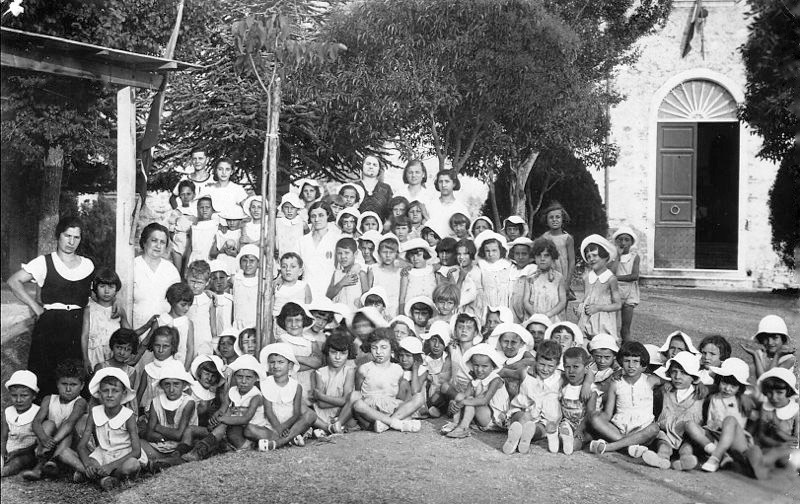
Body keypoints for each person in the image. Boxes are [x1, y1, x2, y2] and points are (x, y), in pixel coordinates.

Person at [7, 216, 95, 397]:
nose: (71, 242)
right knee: (45, 377)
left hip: (76, 326)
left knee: (73, 379)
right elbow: (14, 281)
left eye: (76, 237)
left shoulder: (87, 265)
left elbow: (93, 295)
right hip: (50, 327)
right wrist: (35, 306)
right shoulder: (44, 262)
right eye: (67, 236)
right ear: (58, 235)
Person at [182, 354, 266, 460]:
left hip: (247, 434)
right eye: (240, 376)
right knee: (192, 429)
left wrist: (223, 419)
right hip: (230, 429)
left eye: (248, 377)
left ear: (256, 378)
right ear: (234, 376)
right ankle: (180, 453)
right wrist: (216, 418)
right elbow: (223, 408)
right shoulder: (233, 391)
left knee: (223, 425)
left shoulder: (256, 396)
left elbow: (245, 419)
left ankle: (199, 451)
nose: (243, 381)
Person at [588, 342, 661, 460]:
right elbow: (608, 413)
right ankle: (628, 447)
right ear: (621, 362)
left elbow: (668, 380)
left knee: (655, 428)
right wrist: (596, 419)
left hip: (642, 429)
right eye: (627, 361)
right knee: (595, 418)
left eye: (635, 361)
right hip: (619, 429)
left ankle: (610, 447)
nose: (631, 365)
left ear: (643, 364)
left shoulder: (650, 380)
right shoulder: (616, 383)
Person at [77, 368, 146, 490]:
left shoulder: (128, 416)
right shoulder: (95, 412)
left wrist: (111, 466)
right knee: (90, 462)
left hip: (124, 455)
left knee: (132, 465)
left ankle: (104, 476)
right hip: (103, 454)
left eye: (115, 391)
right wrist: (88, 465)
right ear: (99, 393)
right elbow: (81, 445)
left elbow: (137, 452)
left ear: (123, 394)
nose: (109, 395)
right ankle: (105, 478)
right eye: (105, 390)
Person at [682, 358, 754, 473]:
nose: (727, 388)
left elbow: (759, 402)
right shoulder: (714, 397)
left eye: (733, 386)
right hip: (714, 436)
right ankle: (719, 453)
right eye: (724, 383)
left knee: (730, 420)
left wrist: (744, 396)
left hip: (735, 440)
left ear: (740, 387)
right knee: (689, 425)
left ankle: (715, 458)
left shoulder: (743, 400)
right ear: (719, 380)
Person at [20, 360, 87, 480]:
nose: (68, 389)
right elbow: (36, 422)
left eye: (73, 385)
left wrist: (52, 442)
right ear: (57, 384)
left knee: (67, 429)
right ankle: (40, 467)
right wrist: (44, 438)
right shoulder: (48, 399)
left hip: (69, 446)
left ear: (82, 386)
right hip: (48, 444)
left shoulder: (80, 402)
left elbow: (69, 423)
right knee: (48, 423)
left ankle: (52, 462)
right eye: (64, 384)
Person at [348, 329, 424, 433]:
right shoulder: (364, 369)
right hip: (370, 411)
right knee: (358, 405)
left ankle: (385, 424)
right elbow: (358, 393)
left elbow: (397, 395)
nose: (378, 352)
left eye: (384, 347)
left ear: (392, 348)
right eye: (374, 348)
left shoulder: (398, 370)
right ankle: (396, 423)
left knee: (419, 397)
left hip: (390, 408)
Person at [645, 352, 706, 470]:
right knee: (663, 444)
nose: (677, 377)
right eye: (674, 372)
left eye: (683, 373)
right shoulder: (664, 391)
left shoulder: (701, 395)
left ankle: (685, 460)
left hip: (687, 436)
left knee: (687, 447)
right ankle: (662, 458)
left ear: (693, 377)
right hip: (666, 434)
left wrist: (701, 384)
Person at [254, 344, 318, 450]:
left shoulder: (296, 386)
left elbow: (296, 413)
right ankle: (291, 438)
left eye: (280, 362)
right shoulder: (265, 383)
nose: (276, 366)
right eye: (272, 362)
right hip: (271, 426)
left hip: (290, 425)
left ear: (290, 365)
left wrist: (285, 427)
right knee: (248, 430)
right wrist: (279, 429)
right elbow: (269, 412)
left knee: (311, 415)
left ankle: (278, 443)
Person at [504, 340, 563, 454]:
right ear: (535, 361)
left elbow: (581, 375)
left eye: (550, 366)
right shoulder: (525, 372)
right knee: (523, 417)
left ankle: (525, 438)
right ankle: (514, 440)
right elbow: (505, 372)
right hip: (522, 411)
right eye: (541, 364)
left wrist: (587, 383)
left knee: (539, 429)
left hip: (544, 419)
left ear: (557, 365)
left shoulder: (560, 377)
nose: (545, 369)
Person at [443, 344, 509, 439]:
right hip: (481, 416)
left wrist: (463, 402)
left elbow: (484, 401)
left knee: (470, 400)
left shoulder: (496, 380)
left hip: (495, 420)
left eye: (484, 366)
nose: (479, 370)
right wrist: (455, 403)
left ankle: (463, 428)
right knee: (461, 397)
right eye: (476, 365)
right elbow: (463, 397)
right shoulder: (474, 382)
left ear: (493, 366)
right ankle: (455, 423)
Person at [141, 359, 197, 466]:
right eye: (167, 384)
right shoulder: (156, 401)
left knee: (185, 448)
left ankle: (163, 462)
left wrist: (156, 427)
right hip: (159, 446)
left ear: (183, 384)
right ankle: (162, 462)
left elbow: (179, 435)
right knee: (136, 445)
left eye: (176, 384)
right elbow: (149, 434)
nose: (171, 389)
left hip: (182, 446)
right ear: (162, 386)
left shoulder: (188, 402)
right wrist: (160, 436)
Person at [130, 223, 182, 330]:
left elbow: (179, 301)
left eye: (162, 242)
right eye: (154, 240)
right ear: (144, 242)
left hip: (165, 330)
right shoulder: (132, 266)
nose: (158, 246)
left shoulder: (171, 270)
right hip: (137, 328)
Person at [750, 367, 799, 478]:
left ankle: (763, 464)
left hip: (789, 450)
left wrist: (779, 433)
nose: (774, 397)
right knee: (763, 452)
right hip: (770, 446)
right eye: (769, 393)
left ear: (788, 392)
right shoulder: (766, 408)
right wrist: (777, 444)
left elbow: (796, 440)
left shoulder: (795, 410)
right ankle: (761, 467)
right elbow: (762, 435)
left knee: (788, 457)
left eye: (779, 393)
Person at [311, 330, 356, 436]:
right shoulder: (320, 372)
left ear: (348, 354)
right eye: (333, 352)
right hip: (323, 414)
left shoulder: (349, 371)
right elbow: (321, 404)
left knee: (355, 398)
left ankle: (337, 424)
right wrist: (342, 401)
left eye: (343, 353)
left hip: (343, 413)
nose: (338, 357)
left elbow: (346, 400)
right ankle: (330, 428)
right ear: (327, 351)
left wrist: (321, 396)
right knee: (308, 414)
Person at [577, 235, 621, 341]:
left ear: (605, 256)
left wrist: (598, 308)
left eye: (595, 255)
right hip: (586, 320)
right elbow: (586, 298)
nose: (591, 259)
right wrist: (580, 307)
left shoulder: (610, 279)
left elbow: (618, 305)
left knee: (603, 343)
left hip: (604, 322)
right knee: (584, 342)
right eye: (588, 256)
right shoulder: (587, 278)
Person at [300, 201, 342, 301]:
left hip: (328, 291)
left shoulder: (336, 239)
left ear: (328, 215)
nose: (317, 219)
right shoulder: (302, 241)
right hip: (307, 292)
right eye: (313, 216)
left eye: (321, 215)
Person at [1, 370, 40, 477]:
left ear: (34, 395)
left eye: (24, 395)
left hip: (27, 453)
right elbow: (3, 437)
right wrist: (3, 454)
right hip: (9, 451)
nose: (18, 400)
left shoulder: (38, 412)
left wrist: (18, 452)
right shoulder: (8, 412)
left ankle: (4, 472)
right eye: (14, 395)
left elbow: (38, 442)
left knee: (17, 462)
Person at [559, 347, 597, 455]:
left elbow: (589, 414)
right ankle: (563, 439)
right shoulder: (564, 385)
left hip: (584, 426)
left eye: (576, 367)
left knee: (578, 440)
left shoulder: (590, 390)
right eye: (567, 367)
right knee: (560, 433)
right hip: (567, 423)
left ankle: (571, 445)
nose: (571, 371)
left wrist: (579, 429)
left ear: (585, 368)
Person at [137, 327, 181, 415]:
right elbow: (139, 396)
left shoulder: (177, 367)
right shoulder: (148, 369)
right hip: (150, 413)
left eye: (165, 346)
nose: (160, 350)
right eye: (157, 345)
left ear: (172, 347)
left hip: (172, 413)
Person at [96, 329, 141, 413]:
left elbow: (127, 396)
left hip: (123, 409)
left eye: (127, 349)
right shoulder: (101, 367)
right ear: (112, 346)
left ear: (132, 351)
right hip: (102, 407)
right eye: (119, 347)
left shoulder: (131, 371)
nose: (122, 353)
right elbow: (96, 393)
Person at [523, 237, 566, 323]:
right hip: (534, 318)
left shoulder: (558, 278)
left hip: (552, 318)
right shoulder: (530, 278)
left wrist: (548, 315)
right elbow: (525, 301)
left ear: (552, 257)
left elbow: (562, 301)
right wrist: (535, 315)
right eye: (539, 255)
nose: (542, 259)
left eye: (546, 255)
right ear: (534, 257)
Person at [610, 226, 640, 343]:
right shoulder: (612, 257)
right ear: (616, 241)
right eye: (620, 240)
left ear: (631, 242)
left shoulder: (635, 257)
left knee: (626, 328)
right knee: (611, 324)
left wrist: (615, 278)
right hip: (614, 292)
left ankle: (626, 345)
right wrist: (618, 256)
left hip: (629, 293)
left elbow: (634, 276)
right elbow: (611, 272)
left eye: (627, 240)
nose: (623, 243)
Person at [539, 202, 575, 298]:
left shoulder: (567, 238)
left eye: (558, 217)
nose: (554, 220)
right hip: (548, 274)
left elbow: (572, 261)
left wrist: (568, 282)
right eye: (551, 217)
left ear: (563, 219)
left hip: (563, 274)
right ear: (546, 220)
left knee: (562, 300)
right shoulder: (544, 238)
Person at [425, 169, 470, 237]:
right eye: (440, 182)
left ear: (454, 184)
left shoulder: (461, 208)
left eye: (447, 181)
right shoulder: (430, 205)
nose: (443, 185)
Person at [185, 261, 216, 358]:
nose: (195, 286)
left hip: (204, 341)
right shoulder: (182, 297)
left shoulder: (209, 299)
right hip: (186, 339)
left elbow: (213, 326)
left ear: (207, 282)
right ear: (186, 277)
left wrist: (215, 344)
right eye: (192, 281)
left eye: (200, 283)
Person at [421, 321, 452, 417]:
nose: (436, 345)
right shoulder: (425, 358)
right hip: (427, 392)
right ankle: (427, 408)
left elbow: (443, 381)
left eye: (441, 342)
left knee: (439, 394)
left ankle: (430, 408)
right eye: (434, 340)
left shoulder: (447, 359)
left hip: (440, 393)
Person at [399, 238, 437, 313]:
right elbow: (402, 297)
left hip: (430, 308)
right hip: (411, 309)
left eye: (419, 255)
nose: (415, 258)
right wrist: (401, 313)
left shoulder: (432, 270)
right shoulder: (407, 273)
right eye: (412, 255)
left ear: (426, 255)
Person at [368, 234, 403, 317]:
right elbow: (368, 293)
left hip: (395, 311)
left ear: (396, 254)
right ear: (379, 253)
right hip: (377, 311)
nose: (388, 255)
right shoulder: (374, 270)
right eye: (384, 252)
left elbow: (401, 297)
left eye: (391, 252)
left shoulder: (400, 272)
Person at [475, 231, 512, 309]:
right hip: (486, 303)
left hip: (504, 303)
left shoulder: (508, 265)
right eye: (487, 251)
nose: (490, 254)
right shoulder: (481, 266)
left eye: (494, 250)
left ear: (500, 250)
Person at [327, 237, 366, 306]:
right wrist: (341, 283)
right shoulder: (336, 274)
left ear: (355, 254)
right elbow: (328, 296)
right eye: (339, 253)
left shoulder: (361, 274)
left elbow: (367, 299)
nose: (343, 256)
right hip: (338, 311)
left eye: (347, 253)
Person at [273, 252, 312, 318]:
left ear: (300, 271)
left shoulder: (303, 286)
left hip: (297, 321)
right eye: (284, 266)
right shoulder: (276, 286)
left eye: (293, 266)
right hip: (277, 320)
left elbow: (308, 307)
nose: (288, 269)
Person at [507, 237, 536, 323]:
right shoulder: (512, 269)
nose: (520, 257)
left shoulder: (532, 270)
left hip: (526, 311)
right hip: (512, 310)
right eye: (517, 254)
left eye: (524, 254)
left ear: (530, 255)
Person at [184, 196, 218, 269]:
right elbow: (190, 249)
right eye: (201, 207)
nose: (204, 210)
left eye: (207, 207)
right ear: (197, 209)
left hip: (210, 262)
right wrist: (186, 269)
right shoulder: (193, 228)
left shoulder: (216, 226)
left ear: (212, 209)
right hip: (195, 261)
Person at [357, 155, 393, 220]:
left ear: (379, 169)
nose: (371, 167)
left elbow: (390, 213)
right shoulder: (354, 187)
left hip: (381, 225)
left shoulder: (386, 188)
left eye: (375, 165)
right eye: (368, 164)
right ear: (362, 167)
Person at [232, 244, 260, 328]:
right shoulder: (236, 280)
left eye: (252, 261)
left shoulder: (262, 283)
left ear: (258, 263)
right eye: (244, 260)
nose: (248, 264)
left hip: (256, 325)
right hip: (239, 325)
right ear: (240, 262)